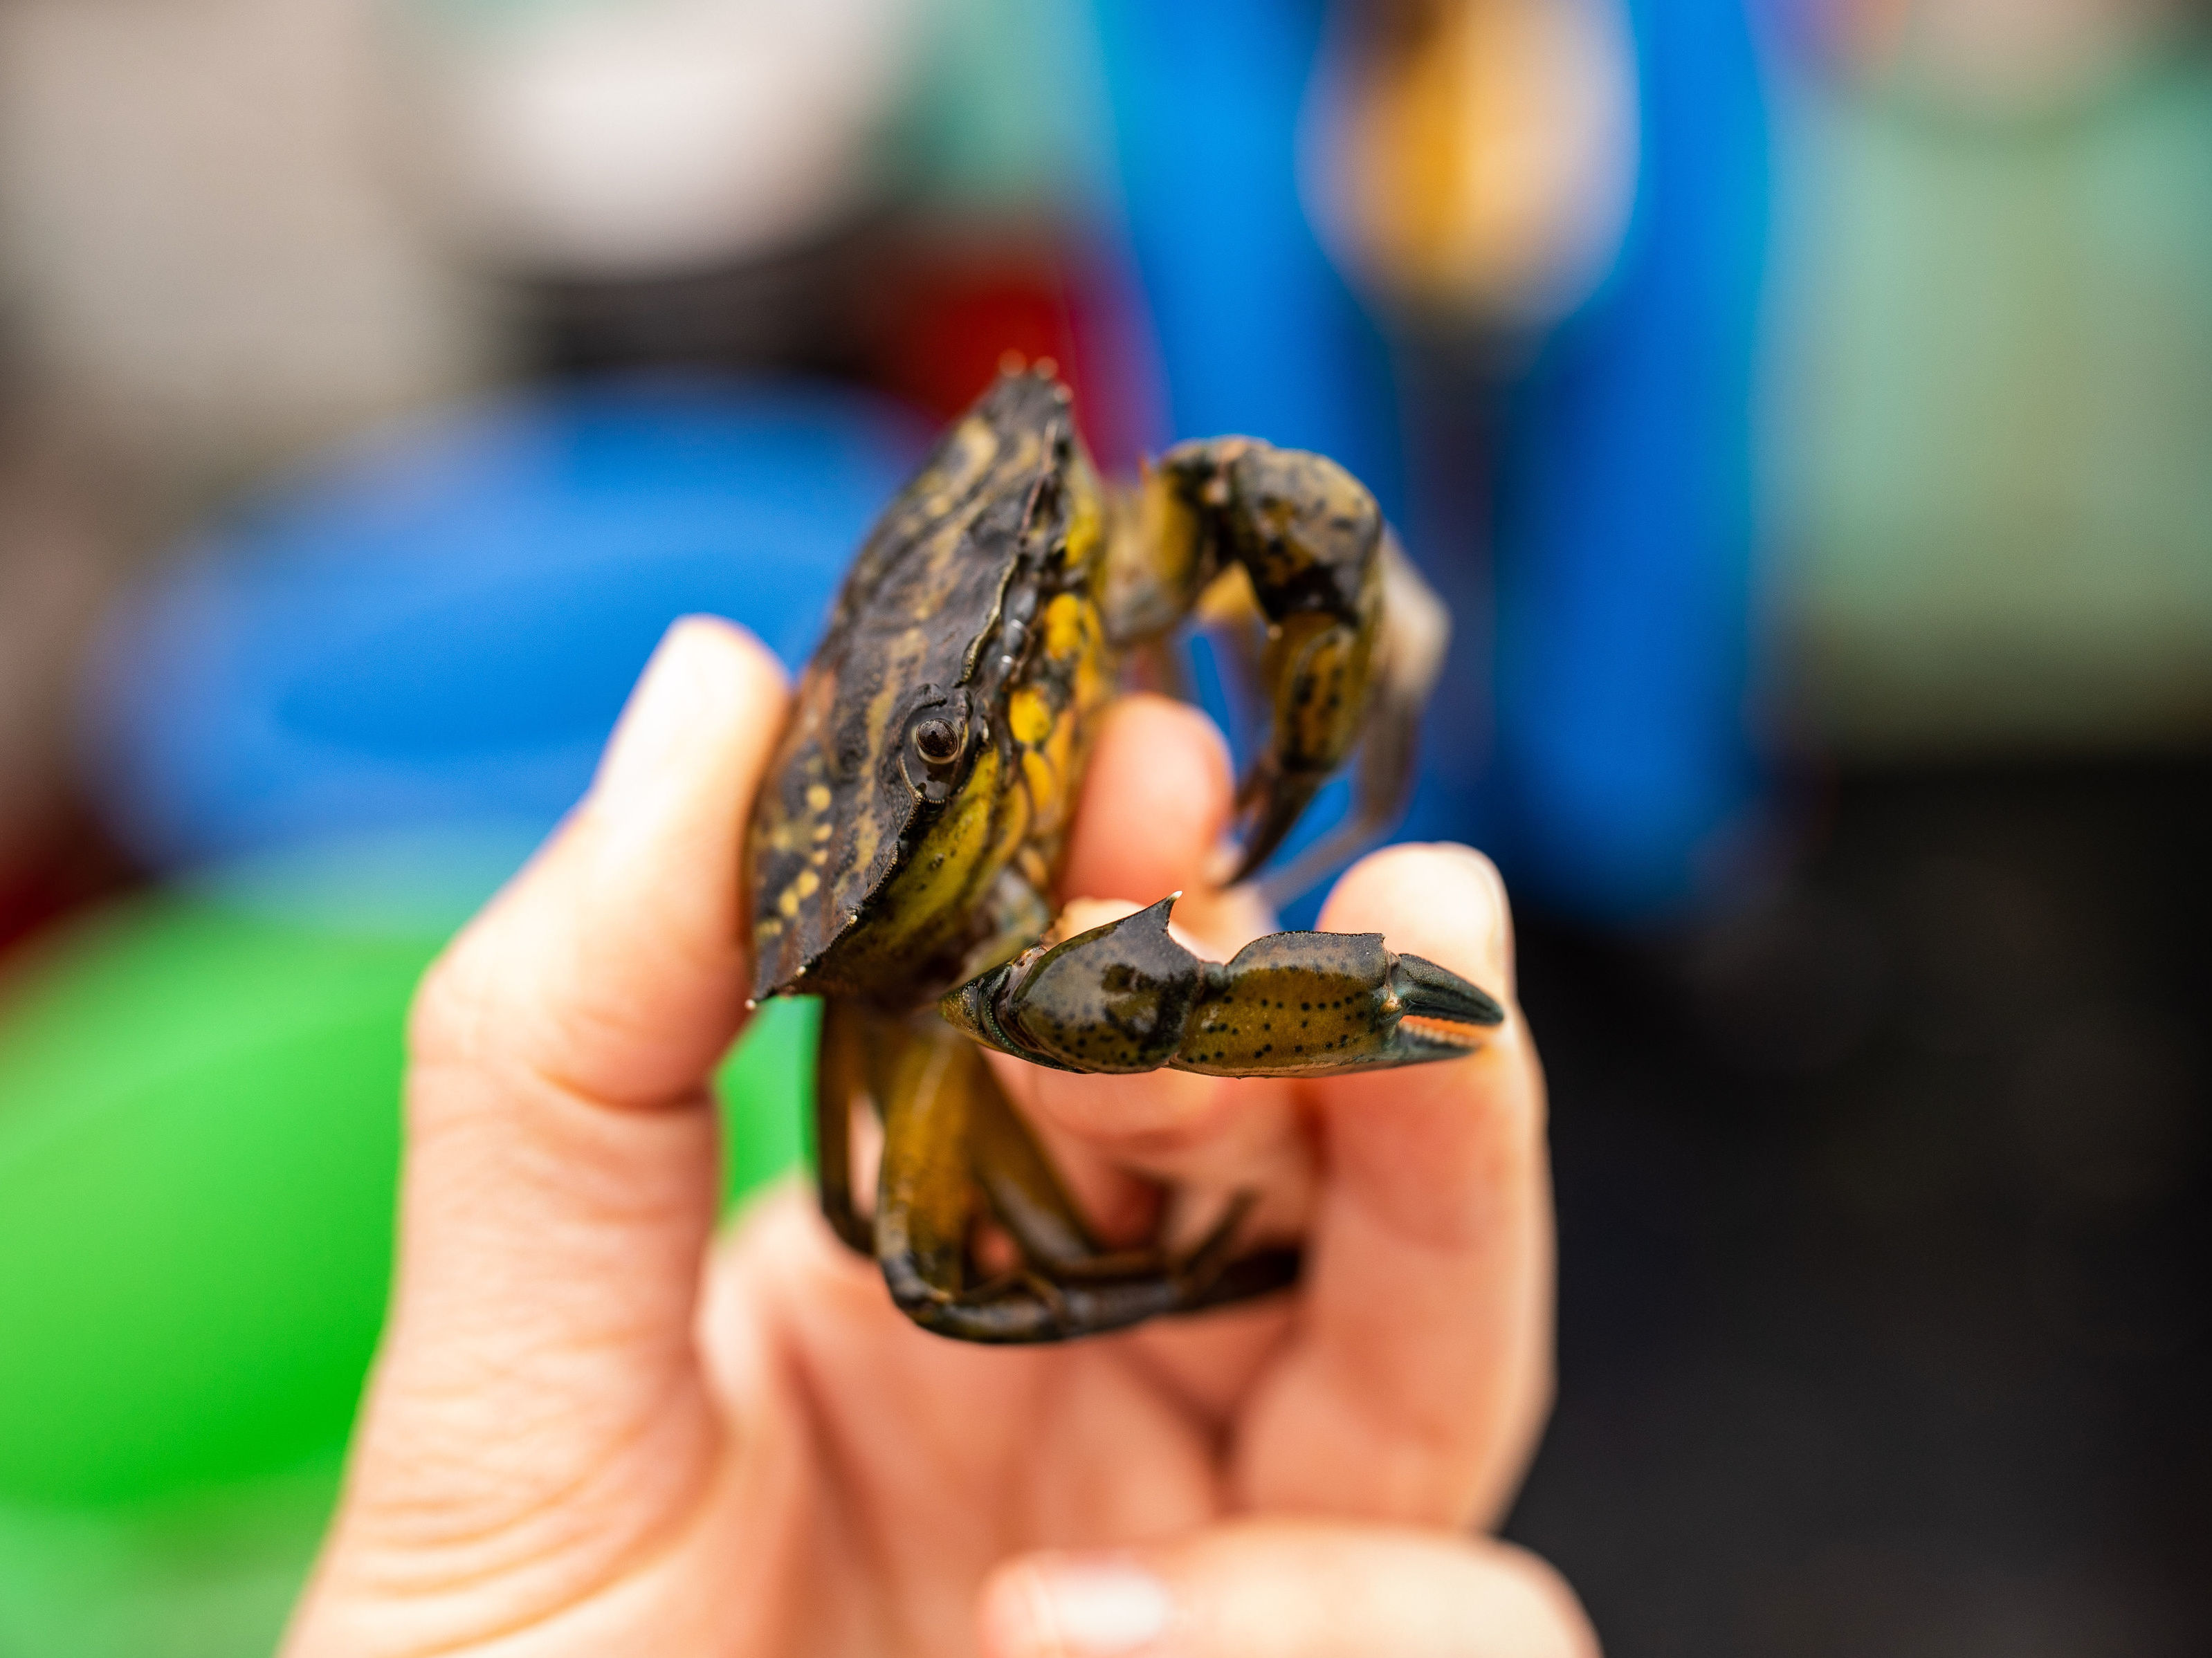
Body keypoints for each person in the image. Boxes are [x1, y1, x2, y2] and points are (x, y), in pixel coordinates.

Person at [280, 617, 1596, 1658]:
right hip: (950, 1018)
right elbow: (899, 1243)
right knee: (930, 1243)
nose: (1016, 703)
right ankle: (1173, 1271)